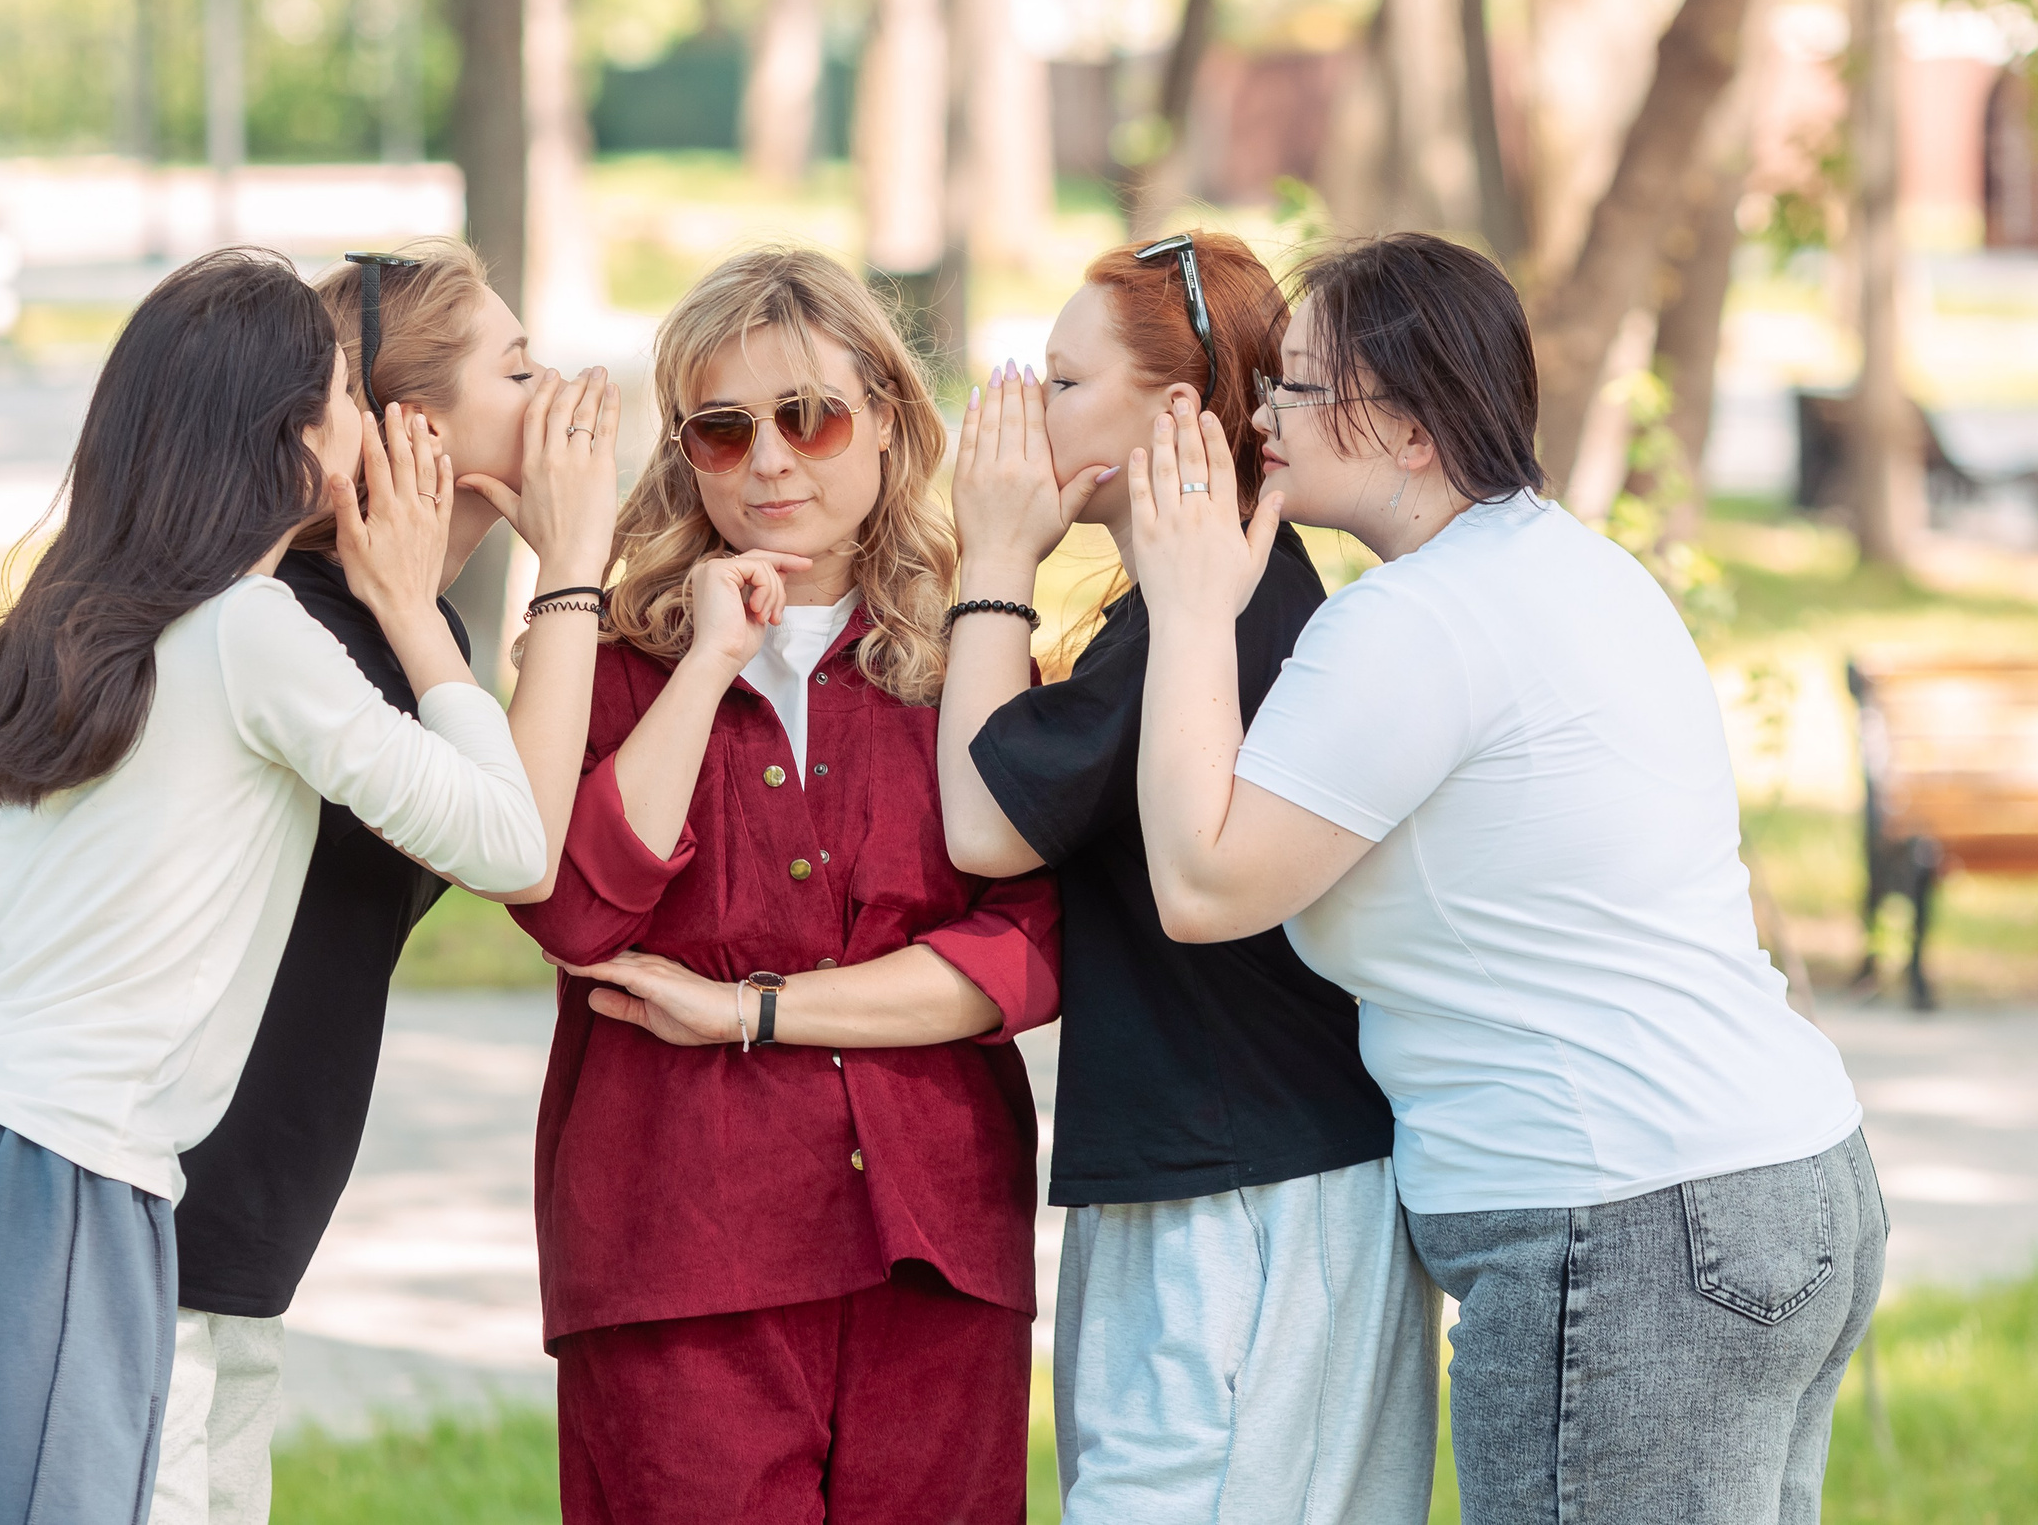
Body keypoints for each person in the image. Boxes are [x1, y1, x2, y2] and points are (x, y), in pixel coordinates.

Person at [0, 249, 550, 1525]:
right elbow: (508, 843)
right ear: (291, 439)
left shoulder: (46, 641)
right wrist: (419, 613)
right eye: (339, 397)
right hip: (63, 1192)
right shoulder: (255, 635)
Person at [1123, 231, 1881, 1525]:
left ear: (1412, 429)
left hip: (1627, 1226)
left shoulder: (1414, 621)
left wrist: (1188, 606)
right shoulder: (1573, 566)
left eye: (1296, 387)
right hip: (1789, 1178)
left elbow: (1203, 884)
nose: (1261, 413)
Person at [510, 245, 1060, 1525]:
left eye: (810, 418)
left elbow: (1027, 952)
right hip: (676, 1250)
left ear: (884, 420)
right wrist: (710, 661)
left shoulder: (968, 656)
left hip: (935, 1241)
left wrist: (751, 1013)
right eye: (722, 430)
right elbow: (575, 910)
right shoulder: (607, 659)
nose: (771, 463)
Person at [937, 232, 1436, 1523]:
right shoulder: (1202, 595)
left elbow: (985, 821)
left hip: (1246, 1185)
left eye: (1058, 381)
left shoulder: (1202, 610)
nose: (1020, 411)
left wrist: (995, 557)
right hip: (1233, 1171)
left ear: (1168, 411)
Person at [149, 239, 618, 1525]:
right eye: (518, 369)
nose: (560, 389)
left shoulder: (405, 634)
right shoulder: (298, 633)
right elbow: (527, 849)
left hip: (234, 1227)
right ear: (411, 427)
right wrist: (570, 564)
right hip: (166, 1216)